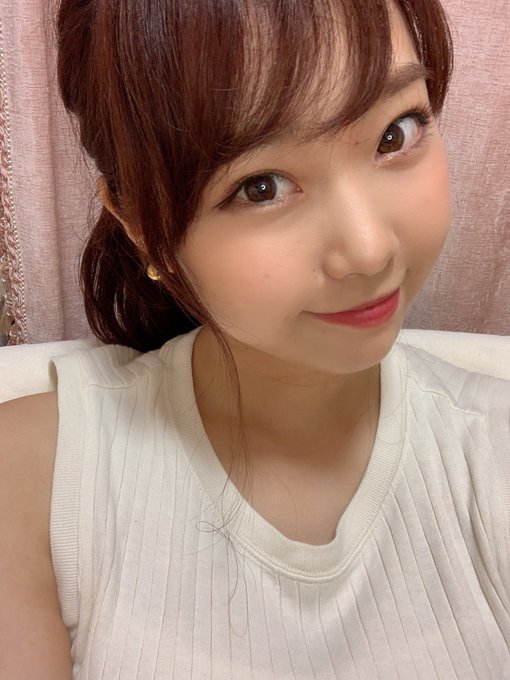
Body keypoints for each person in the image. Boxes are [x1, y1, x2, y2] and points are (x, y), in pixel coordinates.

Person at [0, 0, 508, 677]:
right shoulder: (31, 480)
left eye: (395, 133)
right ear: (142, 226)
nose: (368, 250)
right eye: (261, 187)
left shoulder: (492, 457)